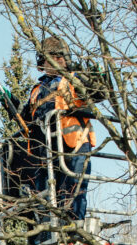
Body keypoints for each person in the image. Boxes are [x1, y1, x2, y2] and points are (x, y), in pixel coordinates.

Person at [19, 36, 97, 222]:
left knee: (73, 188)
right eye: (51, 56)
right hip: (44, 150)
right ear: (42, 61)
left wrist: (94, 80)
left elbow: (96, 94)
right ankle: (47, 232)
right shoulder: (37, 89)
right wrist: (13, 107)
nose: (57, 59)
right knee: (44, 194)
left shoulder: (75, 79)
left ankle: (73, 226)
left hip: (74, 143)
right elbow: (27, 120)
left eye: (60, 56)